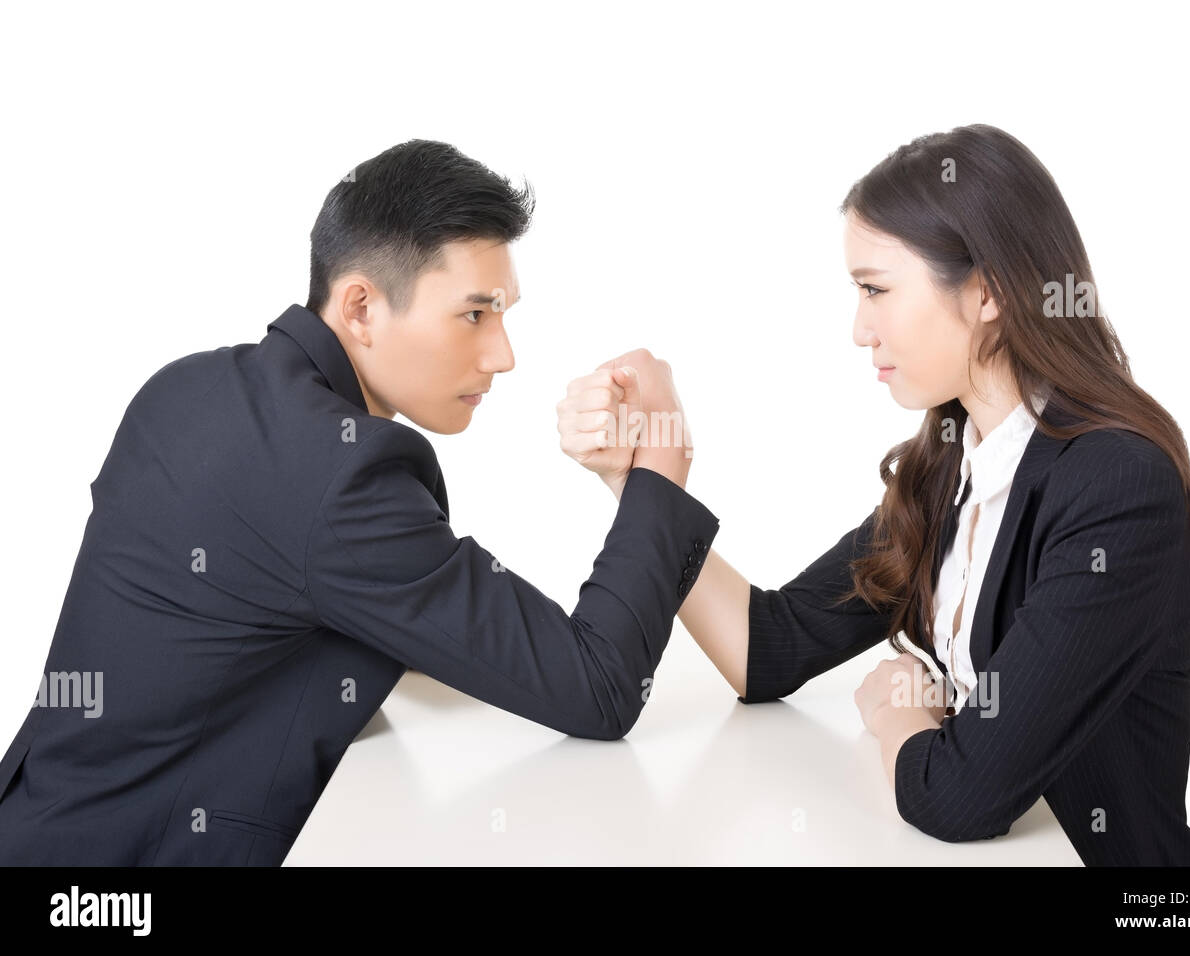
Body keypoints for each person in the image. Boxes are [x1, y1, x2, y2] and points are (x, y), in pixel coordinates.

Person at [0, 139, 716, 865]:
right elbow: (599, 688)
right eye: (474, 315)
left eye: (504, 314)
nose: (503, 355)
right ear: (361, 308)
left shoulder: (182, 388)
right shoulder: (342, 478)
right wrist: (660, 463)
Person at [564, 124, 1190, 866]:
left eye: (876, 289)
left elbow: (962, 798)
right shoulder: (952, 463)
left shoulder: (1117, 488)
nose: (861, 328)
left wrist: (899, 714)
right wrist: (642, 485)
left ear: (987, 290)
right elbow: (767, 647)